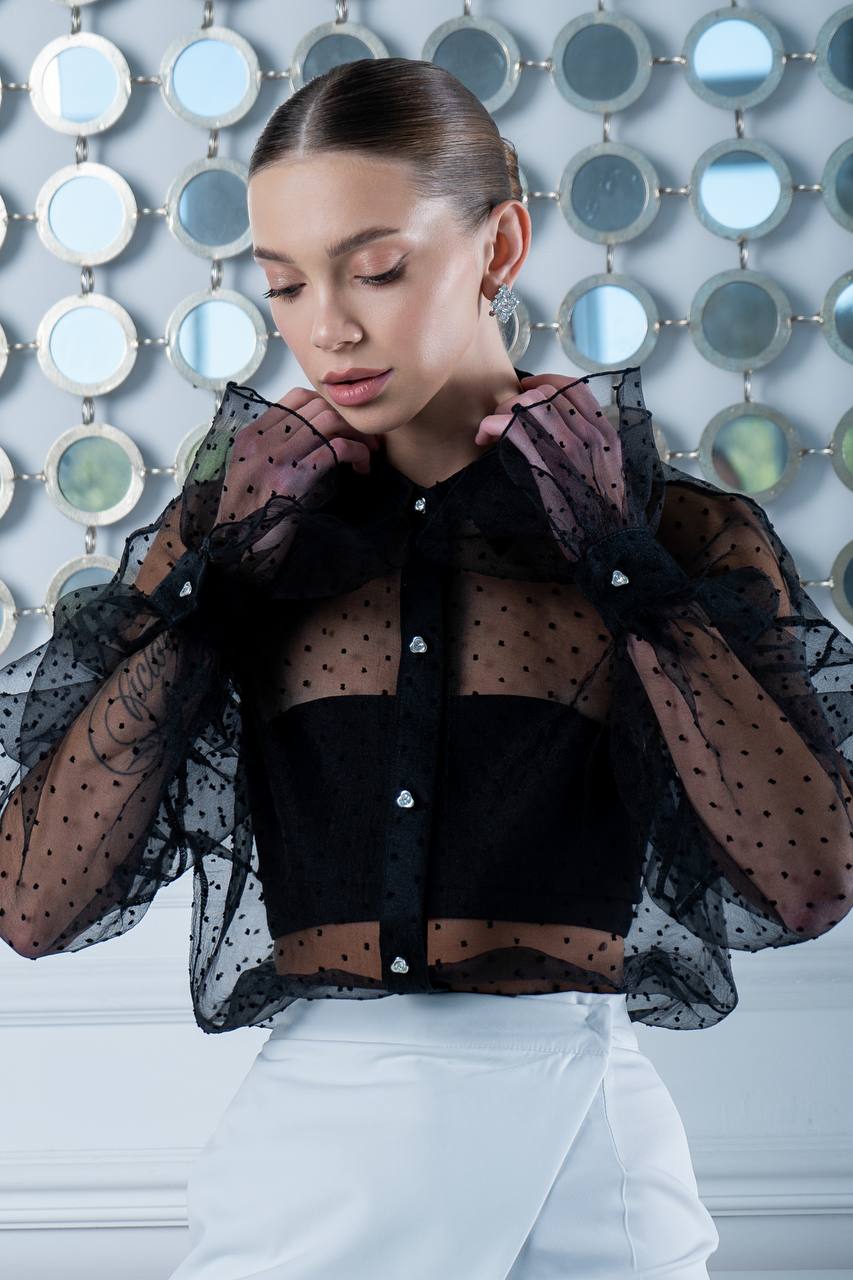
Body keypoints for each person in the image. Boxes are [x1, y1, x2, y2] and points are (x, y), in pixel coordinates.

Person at [1, 57, 851, 1279]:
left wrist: (615, 561)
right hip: (317, 1159)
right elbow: (34, 898)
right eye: (285, 284)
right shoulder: (233, 541)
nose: (327, 325)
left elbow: (807, 876)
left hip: (590, 1150)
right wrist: (211, 588)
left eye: (378, 267)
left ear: (499, 245)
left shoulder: (669, 537)